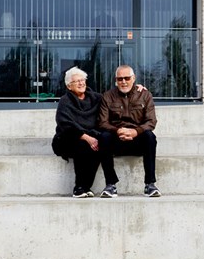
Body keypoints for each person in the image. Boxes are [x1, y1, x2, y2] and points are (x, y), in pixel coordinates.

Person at [98, 65, 161, 198]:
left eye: (127, 78)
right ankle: (110, 185)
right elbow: (103, 122)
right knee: (104, 137)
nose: (123, 82)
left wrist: (135, 132)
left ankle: (150, 184)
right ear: (116, 80)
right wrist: (118, 130)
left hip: (137, 140)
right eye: (120, 79)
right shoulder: (108, 96)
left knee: (149, 136)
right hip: (117, 139)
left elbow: (151, 121)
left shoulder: (145, 95)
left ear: (134, 79)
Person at [51, 67, 103, 198]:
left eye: (83, 80)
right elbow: (65, 124)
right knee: (82, 145)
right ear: (69, 86)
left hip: (92, 136)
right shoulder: (65, 101)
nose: (81, 83)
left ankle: (86, 186)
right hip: (66, 139)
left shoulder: (96, 98)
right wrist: (86, 137)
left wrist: (136, 89)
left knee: (99, 146)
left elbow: (114, 98)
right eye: (77, 81)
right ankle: (79, 187)